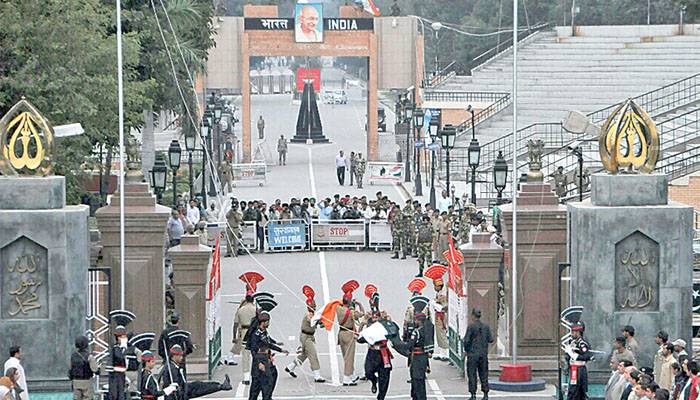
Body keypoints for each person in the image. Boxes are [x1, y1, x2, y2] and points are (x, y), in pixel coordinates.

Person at [391, 297, 431, 400]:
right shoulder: (427, 330)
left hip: (417, 358)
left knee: (417, 380)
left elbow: (409, 345)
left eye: (416, 319)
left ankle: (418, 397)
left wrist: (396, 344)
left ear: (418, 320)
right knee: (420, 380)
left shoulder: (416, 332)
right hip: (423, 357)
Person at [161, 344, 232, 400]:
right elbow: (175, 386)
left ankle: (220, 385)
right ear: (174, 356)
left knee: (199, 384)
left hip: (183, 390)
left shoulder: (174, 365)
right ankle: (221, 386)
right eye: (180, 356)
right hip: (179, 395)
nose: (181, 358)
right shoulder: (172, 369)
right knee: (200, 389)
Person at [285, 286, 325, 382]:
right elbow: (312, 321)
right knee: (313, 354)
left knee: (304, 354)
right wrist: (321, 319)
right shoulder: (308, 315)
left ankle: (291, 367)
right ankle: (317, 375)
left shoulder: (313, 314)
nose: (314, 307)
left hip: (308, 336)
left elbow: (318, 322)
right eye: (313, 306)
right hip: (306, 337)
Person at [247, 311, 288, 400]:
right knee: (256, 388)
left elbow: (268, 342)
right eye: (268, 321)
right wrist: (259, 363)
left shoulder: (264, 331)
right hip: (260, 362)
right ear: (263, 322)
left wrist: (280, 350)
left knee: (271, 378)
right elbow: (253, 351)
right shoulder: (256, 334)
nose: (269, 323)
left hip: (266, 360)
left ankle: (267, 397)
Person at [232, 278, 260, 384]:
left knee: (245, 356)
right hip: (254, 332)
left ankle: (246, 377)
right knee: (256, 354)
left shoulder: (241, 309)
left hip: (244, 332)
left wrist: (234, 336)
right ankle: (256, 374)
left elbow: (235, 324)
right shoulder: (256, 310)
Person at [336, 282, 364, 386]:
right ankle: (346, 378)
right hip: (349, 334)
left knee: (345, 355)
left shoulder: (339, 308)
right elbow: (362, 314)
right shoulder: (352, 312)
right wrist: (359, 304)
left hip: (341, 334)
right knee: (349, 356)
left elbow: (340, 303)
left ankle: (351, 374)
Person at [463, 308, 493, 400]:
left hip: (472, 354)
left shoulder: (471, 327)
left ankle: (473, 394)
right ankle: (485, 394)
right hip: (483, 354)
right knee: (484, 374)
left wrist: (466, 350)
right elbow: (491, 339)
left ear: (473, 315)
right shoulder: (486, 326)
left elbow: (466, 340)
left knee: (472, 374)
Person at [563, 321, 592, 400]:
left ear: (578, 332)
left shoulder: (582, 344)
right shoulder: (572, 342)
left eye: (574, 332)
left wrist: (573, 355)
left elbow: (587, 356)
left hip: (579, 369)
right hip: (573, 368)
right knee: (573, 391)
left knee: (576, 391)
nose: (572, 334)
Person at [69, 335, 98, 400]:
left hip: (75, 382)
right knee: (88, 397)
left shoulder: (73, 356)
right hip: (86, 381)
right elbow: (95, 369)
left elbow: (70, 369)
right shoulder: (89, 356)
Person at [109, 327, 129, 400]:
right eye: (122, 337)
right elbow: (119, 358)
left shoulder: (127, 348)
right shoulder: (115, 348)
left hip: (123, 375)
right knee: (116, 395)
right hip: (115, 375)